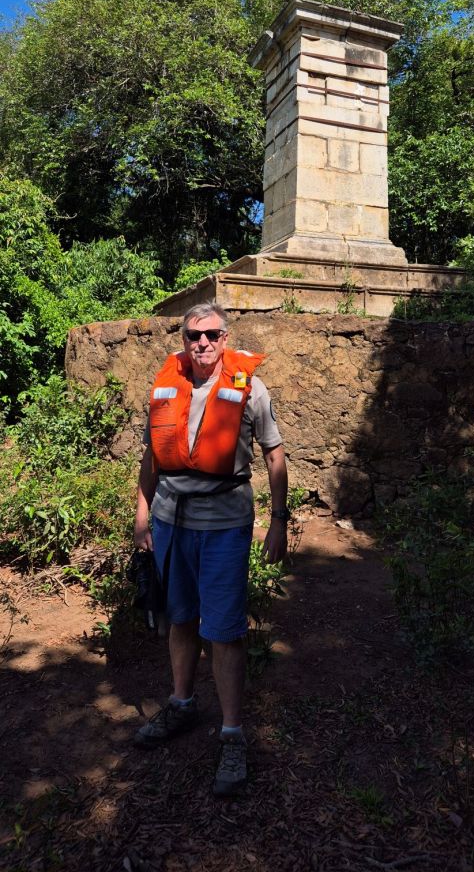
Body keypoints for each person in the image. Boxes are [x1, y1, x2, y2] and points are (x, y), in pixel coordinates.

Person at [132, 302, 289, 797]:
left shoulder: (250, 389)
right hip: (171, 522)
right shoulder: (167, 386)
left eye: (212, 335)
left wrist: (279, 521)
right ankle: (181, 703)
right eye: (193, 335)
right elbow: (151, 458)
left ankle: (232, 733)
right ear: (184, 339)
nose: (202, 343)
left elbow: (275, 456)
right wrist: (142, 516)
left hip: (224, 525)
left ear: (225, 339)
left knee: (223, 630)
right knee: (180, 618)